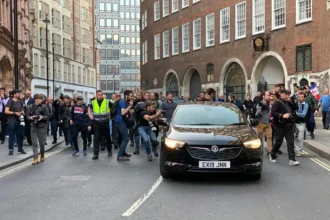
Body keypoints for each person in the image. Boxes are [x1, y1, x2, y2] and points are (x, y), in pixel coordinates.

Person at [270, 89, 299, 166]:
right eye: (285, 94)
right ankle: (272, 154)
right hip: (280, 125)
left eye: (288, 94)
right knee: (279, 142)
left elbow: (296, 108)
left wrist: (291, 102)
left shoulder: (289, 102)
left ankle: (292, 159)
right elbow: (273, 112)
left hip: (289, 125)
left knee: (290, 142)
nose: (287, 96)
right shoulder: (277, 102)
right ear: (281, 94)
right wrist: (282, 115)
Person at [88, 90, 113, 160]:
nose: (100, 96)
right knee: (96, 138)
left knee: (107, 137)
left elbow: (113, 108)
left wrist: (111, 115)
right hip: (96, 122)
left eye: (101, 95)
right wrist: (90, 115)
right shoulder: (93, 102)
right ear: (96, 96)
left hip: (105, 121)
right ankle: (95, 154)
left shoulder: (107, 101)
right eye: (99, 95)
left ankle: (109, 150)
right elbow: (89, 109)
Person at [27, 94, 50, 165]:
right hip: (33, 126)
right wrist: (30, 118)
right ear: (36, 99)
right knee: (34, 143)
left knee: (42, 143)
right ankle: (35, 158)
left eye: (41, 99)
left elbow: (48, 116)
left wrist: (42, 117)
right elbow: (27, 116)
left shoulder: (44, 107)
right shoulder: (30, 107)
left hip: (41, 127)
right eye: (40, 99)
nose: (41, 100)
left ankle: (42, 155)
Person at [113, 90, 134, 161]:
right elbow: (123, 112)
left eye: (132, 96)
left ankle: (123, 152)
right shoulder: (122, 102)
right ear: (126, 96)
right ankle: (119, 155)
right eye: (131, 96)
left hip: (121, 122)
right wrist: (130, 106)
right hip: (120, 122)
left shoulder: (125, 102)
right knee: (126, 138)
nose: (132, 98)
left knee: (123, 138)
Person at [5, 89, 26, 155]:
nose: (19, 94)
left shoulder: (20, 101)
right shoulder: (10, 101)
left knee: (21, 135)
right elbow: (6, 111)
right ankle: (11, 149)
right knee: (11, 135)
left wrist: (22, 112)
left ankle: (20, 148)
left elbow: (22, 110)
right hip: (12, 121)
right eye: (18, 93)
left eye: (19, 93)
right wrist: (15, 113)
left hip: (20, 120)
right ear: (14, 94)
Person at [295, 93, 309, 157]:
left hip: (302, 123)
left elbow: (303, 115)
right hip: (294, 122)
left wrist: (296, 113)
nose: (300, 98)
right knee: (291, 137)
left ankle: (299, 151)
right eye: (299, 97)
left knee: (300, 138)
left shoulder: (306, 105)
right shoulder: (295, 104)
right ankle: (293, 149)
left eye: (302, 97)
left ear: (304, 98)